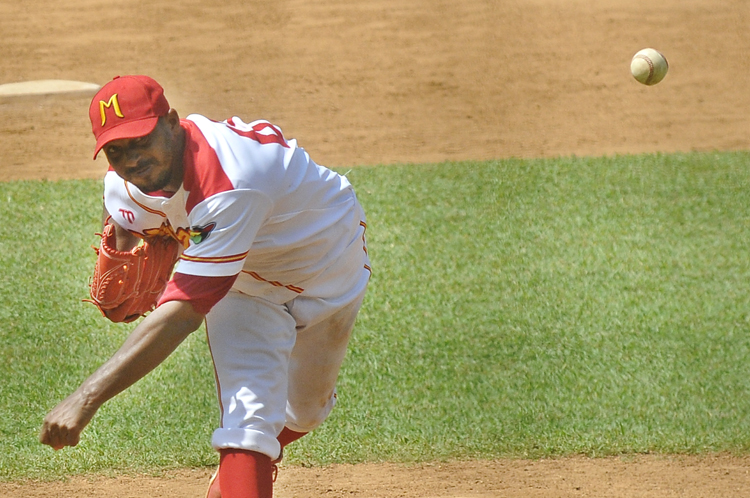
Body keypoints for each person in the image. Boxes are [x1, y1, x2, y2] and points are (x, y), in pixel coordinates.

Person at [39, 75, 371, 498]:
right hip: (240, 285)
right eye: (116, 150)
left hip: (327, 264)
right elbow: (123, 217)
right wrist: (124, 248)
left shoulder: (232, 180)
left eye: (141, 141)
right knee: (248, 421)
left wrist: (86, 398)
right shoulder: (125, 185)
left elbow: (183, 314)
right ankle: (242, 471)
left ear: (172, 122)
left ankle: (251, 464)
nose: (132, 160)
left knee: (305, 413)